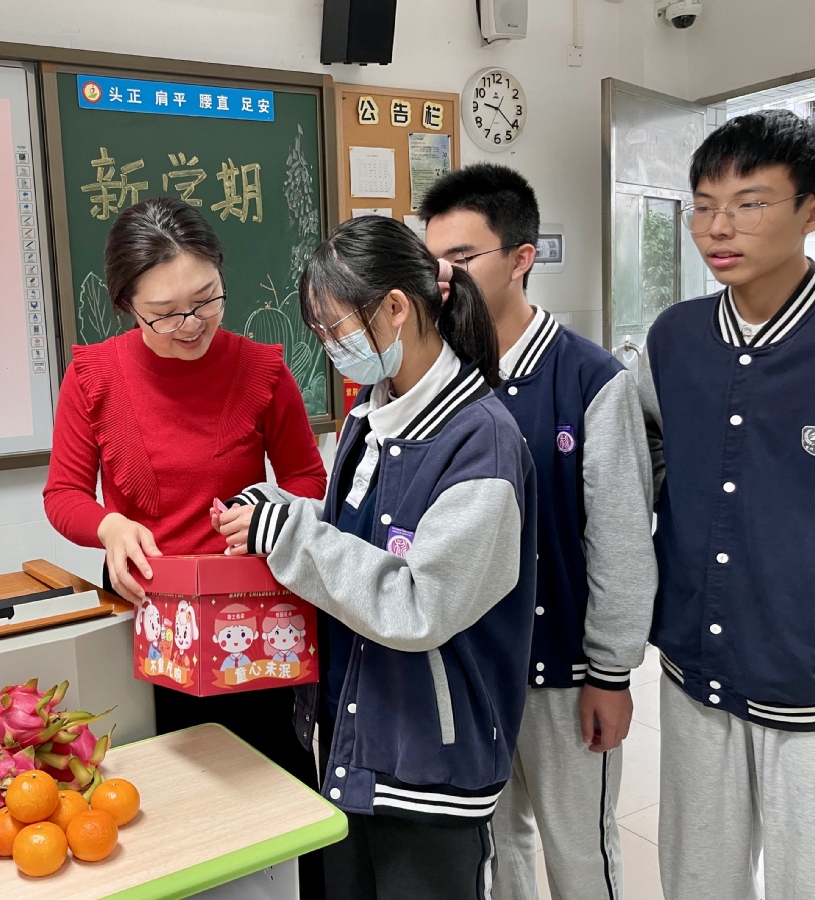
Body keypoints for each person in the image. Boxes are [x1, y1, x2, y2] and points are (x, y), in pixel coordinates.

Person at [217, 215, 538, 899]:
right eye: (323, 333)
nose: (331, 348)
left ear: (396, 308)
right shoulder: (371, 414)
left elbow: (417, 603)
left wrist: (293, 536)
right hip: (354, 747)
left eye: (336, 329)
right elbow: (353, 539)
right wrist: (277, 514)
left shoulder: (483, 442)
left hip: (430, 767)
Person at [42, 196, 328, 894]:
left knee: (273, 798)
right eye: (165, 313)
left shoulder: (261, 368)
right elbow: (64, 495)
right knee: (162, 809)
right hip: (147, 625)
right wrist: (109, 526)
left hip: (249, 623)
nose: (190, 324)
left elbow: (306, 478)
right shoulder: (94, 376)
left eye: (206, 301)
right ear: (125, 305)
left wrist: (264, 509)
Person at [421, 164, 657, 900]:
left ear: (522, 258)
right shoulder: (436, 374)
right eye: (433, 260)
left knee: (579, 849)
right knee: (497, 847)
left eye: (462, 258)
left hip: (565, 673)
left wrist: (610, 673)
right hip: (472, 667)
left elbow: (620, 540)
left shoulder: (590, 378)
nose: (443, 278)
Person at [638, 110, 815, 900]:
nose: (719, 226)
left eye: (750, 203)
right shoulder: (672, 339)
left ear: (809, 211)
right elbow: (634, 478)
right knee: (699, 878)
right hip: (695, 667)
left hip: (806, 679)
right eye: (703, 204)